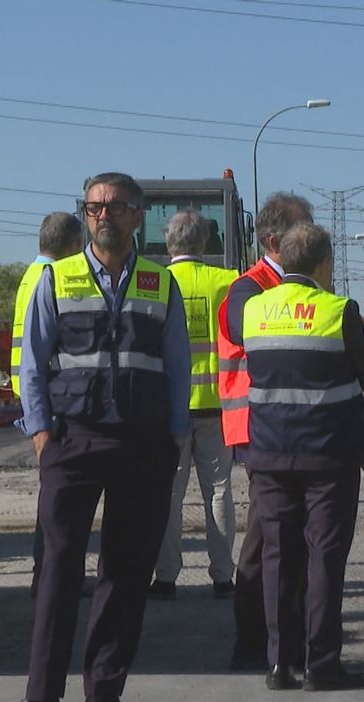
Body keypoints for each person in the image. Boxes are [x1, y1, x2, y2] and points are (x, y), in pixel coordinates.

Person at [4, 172, 190, 702]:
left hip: (142, 445)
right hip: (71, 441)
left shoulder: (161, 283)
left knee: (126, 572)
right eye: (93, 207)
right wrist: (41, 435)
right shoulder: (56, 279)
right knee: (58, 570)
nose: (102, 215)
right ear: (84, 216)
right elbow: (32, 364)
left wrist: (174, 439)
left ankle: (104, 696)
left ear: (138, 215)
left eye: (114, 206)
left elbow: (178, 367)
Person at [242, 221, 364, 692]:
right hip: (328, 456)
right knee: (324, 558)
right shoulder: (340, 310)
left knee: (278, 557)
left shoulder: (254, 309)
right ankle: (322, 664)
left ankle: (280, 664)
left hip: (270, 454)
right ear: (324, 264)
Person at [218, 192, 314, 671]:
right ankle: (252, 644)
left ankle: (282, 643)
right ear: (275, 240)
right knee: (264, 541)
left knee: (285, 539)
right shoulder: (248, 288)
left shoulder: (285, 286)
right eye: (304, 232)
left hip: (285, 427)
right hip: (259, 430)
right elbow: (245, 332)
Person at [152, 210, 239, 601]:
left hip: (171, 408)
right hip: (217, 406)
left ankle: (166, 578)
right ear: (205, 243)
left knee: (169, 493)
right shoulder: (227, 282)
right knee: (219, 491)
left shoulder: (155, 282)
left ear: (168, 243)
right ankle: (223, 577)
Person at [11, 212, 84, 600]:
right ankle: (51, 576)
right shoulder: (50, 279)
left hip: (33, 395)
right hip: (48, 401)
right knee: (57, 497)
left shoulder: (30, 274)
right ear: (73, 246)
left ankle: (50, 574)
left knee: (53, 494)